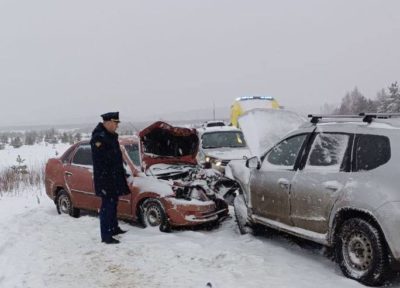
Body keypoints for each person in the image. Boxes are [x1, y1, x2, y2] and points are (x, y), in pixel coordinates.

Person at [90, 112, 130, 244]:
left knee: (114, 204)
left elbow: (116, 157)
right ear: (107, 122)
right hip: (105, 178)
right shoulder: (99, 138)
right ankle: (106, 236)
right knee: (107, 206)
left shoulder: (110, 136)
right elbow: (102, 159)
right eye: (115, 123)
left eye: (117, 123)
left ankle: (114, 228)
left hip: (114, 177)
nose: (117, 126)